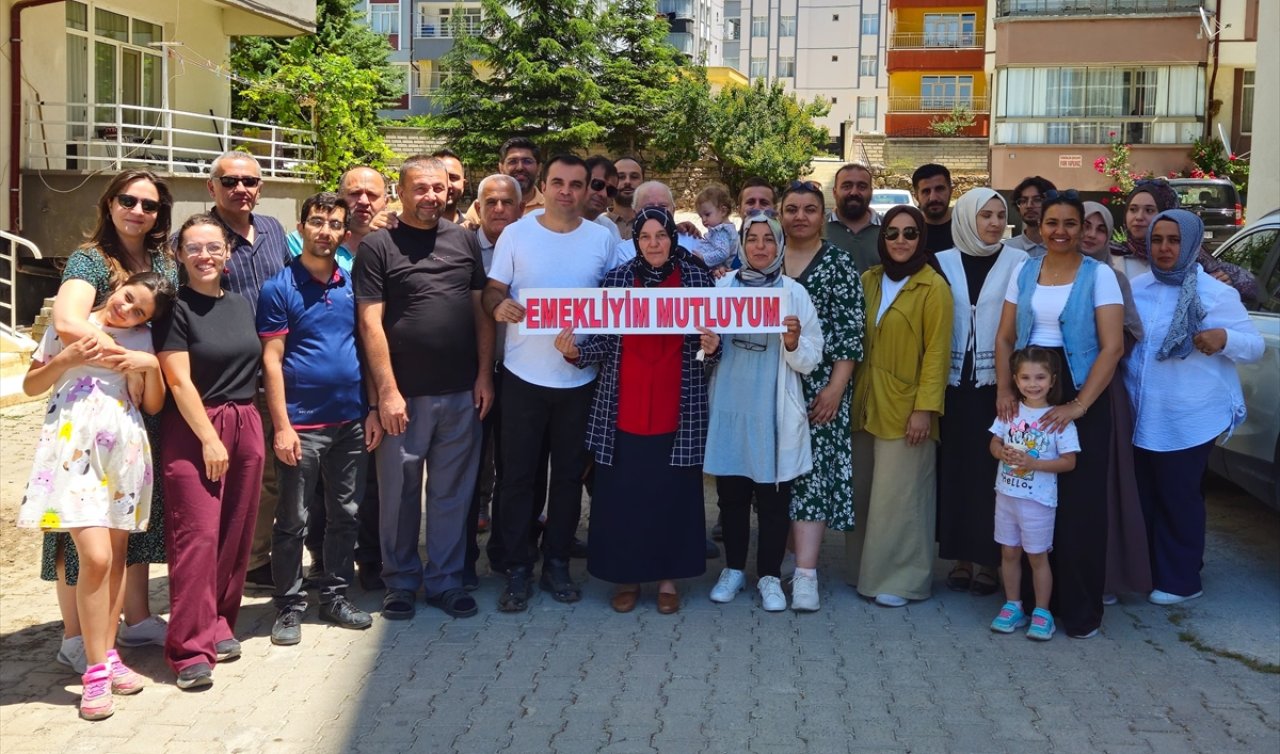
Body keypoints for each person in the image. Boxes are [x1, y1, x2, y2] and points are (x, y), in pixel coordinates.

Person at [18, 271, 174, 719]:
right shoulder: (71, 325)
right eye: (128, 298)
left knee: (118, 559)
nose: (128, 310)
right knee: (97, 559)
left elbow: (152, 405)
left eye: (140, 310)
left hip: (123, 457)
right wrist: (64, 358)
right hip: (73, 455)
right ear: (116, 289)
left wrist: (150, 368)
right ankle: (93, 671)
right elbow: (31, 386)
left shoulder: (141, 340)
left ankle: (107, 654)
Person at [554, 207, 719, 614]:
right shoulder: (618, 279)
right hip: (622, 406)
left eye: (660, 235)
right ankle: (626, 576)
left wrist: (711, 349)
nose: (654, 244)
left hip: (678, 407)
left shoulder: (697, 278)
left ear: (672, 237)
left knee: (672, 497)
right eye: (645, 237)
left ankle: (667, 579)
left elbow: (710, 348)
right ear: (635, 241)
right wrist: (576, 353)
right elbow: (605, 342)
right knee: (622, 499)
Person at [47, 170, 180, 668]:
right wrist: (126, 352)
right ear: (110, 202)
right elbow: (66, 322)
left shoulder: (162, 262)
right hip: (83, 411)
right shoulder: (90, 259)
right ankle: (76, 637)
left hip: (136, 411)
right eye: (129, 200)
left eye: (149, 205)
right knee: (79, 529)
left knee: (128, 524)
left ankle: (135, 617)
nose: (138, 211)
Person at [355, 156, 494, 621]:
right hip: (404, 397)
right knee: (398, 495)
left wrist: (483, 376)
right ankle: (400, 582)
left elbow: (480, 312)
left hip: (460, 393)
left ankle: (446, 581)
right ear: (401, 190)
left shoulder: (464, 241)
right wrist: (387, 392)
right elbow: (370, 324)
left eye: (438, 188)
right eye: (420, 188)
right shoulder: (378, 246)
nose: (431, 196)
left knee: (452, 494)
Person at [484, 154, 617, 612]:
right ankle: (517, 567)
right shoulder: (517, 234)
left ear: (587, 190)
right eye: (558, 182)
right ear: (542, 186)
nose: (567, 191)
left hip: (580, 380)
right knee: (518, 478)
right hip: (523, 377)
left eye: (577, 184)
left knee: (566, 480)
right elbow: (493, 290)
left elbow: (621, 302)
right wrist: (497, 306)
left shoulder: (603, 240)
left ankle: (557, 563)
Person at [995, 190, 1125, 639]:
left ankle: (1079, 608)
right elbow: (1006, 337)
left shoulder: (1100, 275)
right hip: (1031, 388)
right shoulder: (1024, 269)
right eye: (1053, 222)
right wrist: (1005, 390)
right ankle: (1030, 604)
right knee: (1030, 494)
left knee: (1079, 506)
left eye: (1071, 223)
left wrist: (1078, 405)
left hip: (1081, 390)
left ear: (1081, 226)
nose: (1061, 231)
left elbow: (1112, 347)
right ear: (1039, 224)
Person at [1125, 209, 1263, 606]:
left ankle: (1183, 579)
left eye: (1174, 241)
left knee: (1179, 497)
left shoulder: (1215, 293)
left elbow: (1253, 346)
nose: (1165, 248)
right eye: (1157, 240)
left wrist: (1223, 338)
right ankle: (1149, 571)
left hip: (1190, 415)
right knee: (1146, 496)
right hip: (1143, 411)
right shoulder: (1138, 287)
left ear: (1192, 245)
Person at [258, 193, 378, 645]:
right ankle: (289, 606)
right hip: (301, 425)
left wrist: (370, 410)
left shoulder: (352, 284)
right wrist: (282, 426)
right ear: (301, 227)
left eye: (333, 224)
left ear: (344, 233)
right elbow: (272, 361)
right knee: (293, 519)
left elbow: (365, 349)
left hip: (349, 420)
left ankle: (335, 595)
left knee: (346, 514)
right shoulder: (279, 287)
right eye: (316, 222)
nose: (324, 231)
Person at [154, 214, 267, 690]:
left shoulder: (241, 303)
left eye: (214, 247)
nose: (205, 256)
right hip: (196, 426)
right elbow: (177, 379)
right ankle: (188, 650)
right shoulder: (174, 309)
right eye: (194, 247)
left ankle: (220, 623)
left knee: (235, 535)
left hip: (246, 421)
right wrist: (208, 437)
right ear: (179, 254)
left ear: (228, 253)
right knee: (196, 538)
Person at [704, 211, 823, 612]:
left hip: (772, 409)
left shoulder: (793, 294)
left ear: (779, 245)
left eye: (768, 239)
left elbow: (812, 356)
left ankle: (770, 575)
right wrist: (706, 344)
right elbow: (700, 353)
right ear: (741, 245)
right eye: (752, 239)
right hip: (730, 404)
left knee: (773, 500)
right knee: (732, 496)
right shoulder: (721, 289)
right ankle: (734, 569)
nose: (759, 247)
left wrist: (792, 343)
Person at [284, 165, 392, 591]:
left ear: (386, 200)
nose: (363, 201)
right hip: (315, 389)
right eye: (354, 194)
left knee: (366, 485)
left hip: (372, 381)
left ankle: (368, 560)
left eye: (372, 194)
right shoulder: (310, 246)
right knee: (317, 493)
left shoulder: (392, 242)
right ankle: (321, 566)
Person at [845, 206, 952, 608]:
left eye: (910, 233)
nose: (901, 241)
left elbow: (937, 353)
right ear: (882, 238)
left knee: (902, 498)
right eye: (893, 234)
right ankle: (865, 572)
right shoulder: (869, 280)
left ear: (921, 238)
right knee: (867, 493)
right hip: (865, 403)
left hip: (908, 409)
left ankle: (904, 579)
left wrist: (925, 408)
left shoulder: (932, 287)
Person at [201, 151, 291, 593]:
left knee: (268, 475)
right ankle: (217, 568)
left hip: (274, 374)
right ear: (211, 187)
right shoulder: (201, 236)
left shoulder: (273, 229)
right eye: (231, 180)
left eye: (250, 181)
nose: (242, 189)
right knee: (223, 476)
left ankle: (254, 561)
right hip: (224, 379)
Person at [934, 188, 1028, 598]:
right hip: (952, 387)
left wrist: (1012, 385)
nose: (993, 223)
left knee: (993, 475)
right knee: (956, 472)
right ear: (967, 218)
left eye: (999, 215)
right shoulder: (941, 263)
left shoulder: (1019, 262)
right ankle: (960, 559)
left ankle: (991, 562)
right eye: (984, 215)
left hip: (999, 388)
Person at [778, 181, 866, 612]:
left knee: (812, 479)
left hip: (820, 390)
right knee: (778, 478)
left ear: (822, 215)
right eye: (791, 208)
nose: (799, 216)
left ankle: (808, 574)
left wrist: (836, 388)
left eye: (809, 209)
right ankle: (784, 562)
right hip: (770, 386)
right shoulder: (764, 260)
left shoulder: (840, 264)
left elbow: (851, 334)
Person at [1081, 201, 1151, 602]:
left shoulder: (1113, 278)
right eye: (1084, 225)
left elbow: (1129, 336)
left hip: (1102, 391)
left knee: (1104, 484)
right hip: (1051, 388)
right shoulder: (1047, 271)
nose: (1090, 234)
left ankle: (1106, 574)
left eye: (1100, 229)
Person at [988, 347, 1080, 641]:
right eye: (1025, 377)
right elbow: (994, 442)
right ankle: (1012, 605)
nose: (1033, 383)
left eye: (1040, 377)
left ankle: (1042, 612)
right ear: (1015, 379)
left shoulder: (1058, 419)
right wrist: (1001, 452)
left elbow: (1069, 461)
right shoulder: (1010, 411)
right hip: (1006, 496)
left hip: (1038, 502)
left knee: (1037, 556)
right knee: (1009, 552)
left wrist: (1034, 463)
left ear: (1053, 380)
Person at [464, 174, 529, 588]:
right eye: (492, 203)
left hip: (521, 376)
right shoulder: (463, 247)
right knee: (469, 470)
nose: (500, 209)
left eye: (508, 202)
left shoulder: (530, 241)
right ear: (479, 207)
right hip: (473, 377)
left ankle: (506, 553)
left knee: (514, 471)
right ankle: (463, 558)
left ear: (521, 207)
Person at [1110, 180, 1257, 301]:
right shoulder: (1112, 256)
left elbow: (1251, 289)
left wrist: (1225, 282)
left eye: (1149, 210)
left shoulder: (1193, 261)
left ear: (1166, 214)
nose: (1139, 217)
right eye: (1133, 209)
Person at [463, 137, 545, 226]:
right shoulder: (484, 205)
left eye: (527, 161)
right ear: (501, 168)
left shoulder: (550, 207)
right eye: (512, 161)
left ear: (539, 168)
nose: (520, 167)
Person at [824, 162, 881, 274]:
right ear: (834, 192)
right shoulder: (818, 229)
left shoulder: (889, 230)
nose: (854, 192)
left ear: (871, 192)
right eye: (847, 186)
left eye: (862, 187)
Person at [1005, 176, 1057, 258]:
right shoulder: (1007, 249)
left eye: (1037, 200)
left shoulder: (1062, 248)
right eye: (1023, 201)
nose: (1029, 206)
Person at [692, 182, 740, 269]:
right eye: (701, 216)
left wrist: (703, 258)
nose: (703, 220)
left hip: (721, 270)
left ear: (723, 211)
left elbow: (723, 253)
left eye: (707, 214)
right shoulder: (724, 228)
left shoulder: (721, 231)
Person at [912, 163, 955, 254]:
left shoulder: (967, 226)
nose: (933, 198)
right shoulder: (909, 231)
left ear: (951, 191)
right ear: (916, 196)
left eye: (939, 189)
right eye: (926, 191)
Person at [607, 156, 645, 240]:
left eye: (634, 177)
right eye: (620, 177)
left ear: (643, 182)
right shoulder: (597, 223)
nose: (627, 182)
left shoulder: (654, 223)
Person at [432, 148, 468, 224]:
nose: (447, 184)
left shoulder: (471, 233)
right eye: (439, 177)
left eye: (453, 178)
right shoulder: (407, 232)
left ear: (464, 185)